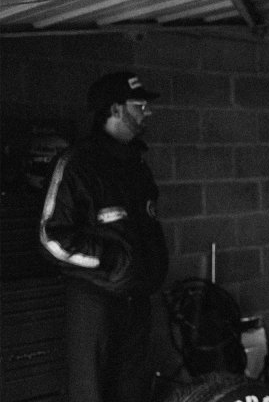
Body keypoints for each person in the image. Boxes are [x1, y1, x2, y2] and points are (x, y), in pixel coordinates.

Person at [39, 71, 168, 402]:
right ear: (114, 109)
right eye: (139, 105)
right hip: (94, 303)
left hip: (136, 302)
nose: (147, 112)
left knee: (132, 393)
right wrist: (111, 260)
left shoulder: (136, 164)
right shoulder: (76, 164)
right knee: (92, 393)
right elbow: (52, 238)